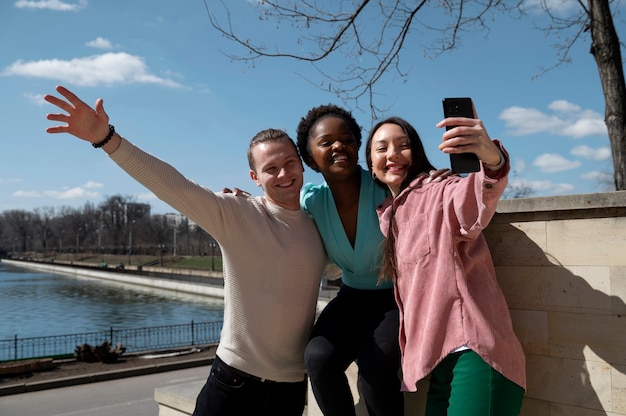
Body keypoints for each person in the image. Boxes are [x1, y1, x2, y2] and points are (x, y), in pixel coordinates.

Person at [44, 85, 328, 416]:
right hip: (234, 383)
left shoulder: (318, 225)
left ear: (302, 166)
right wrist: (107, 140)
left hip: (290, 391)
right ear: (254, 177)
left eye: (290, 163)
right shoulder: (237, 214)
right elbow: (173, 186)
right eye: (270, 168)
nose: (284, 174)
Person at [364, 111, 526, 415]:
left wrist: (490, 156)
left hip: (476, 355)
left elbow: (475, 198)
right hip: (439, 365)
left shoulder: (438, 190)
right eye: (382, 148)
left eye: (403, 145)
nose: (393, 154)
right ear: (371, 166)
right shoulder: (389, 218)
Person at [294, 104, 444, 415]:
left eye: (347, 139)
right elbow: (274, 207)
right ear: (310, 157)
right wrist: (242, 201)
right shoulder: (311, 200)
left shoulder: (388, 187)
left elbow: (425, 191)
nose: (339, 146)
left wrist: (437, 178)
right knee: (318, 359)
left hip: (395, 298)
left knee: (375, 368)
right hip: (351, 298)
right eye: (326, 142)